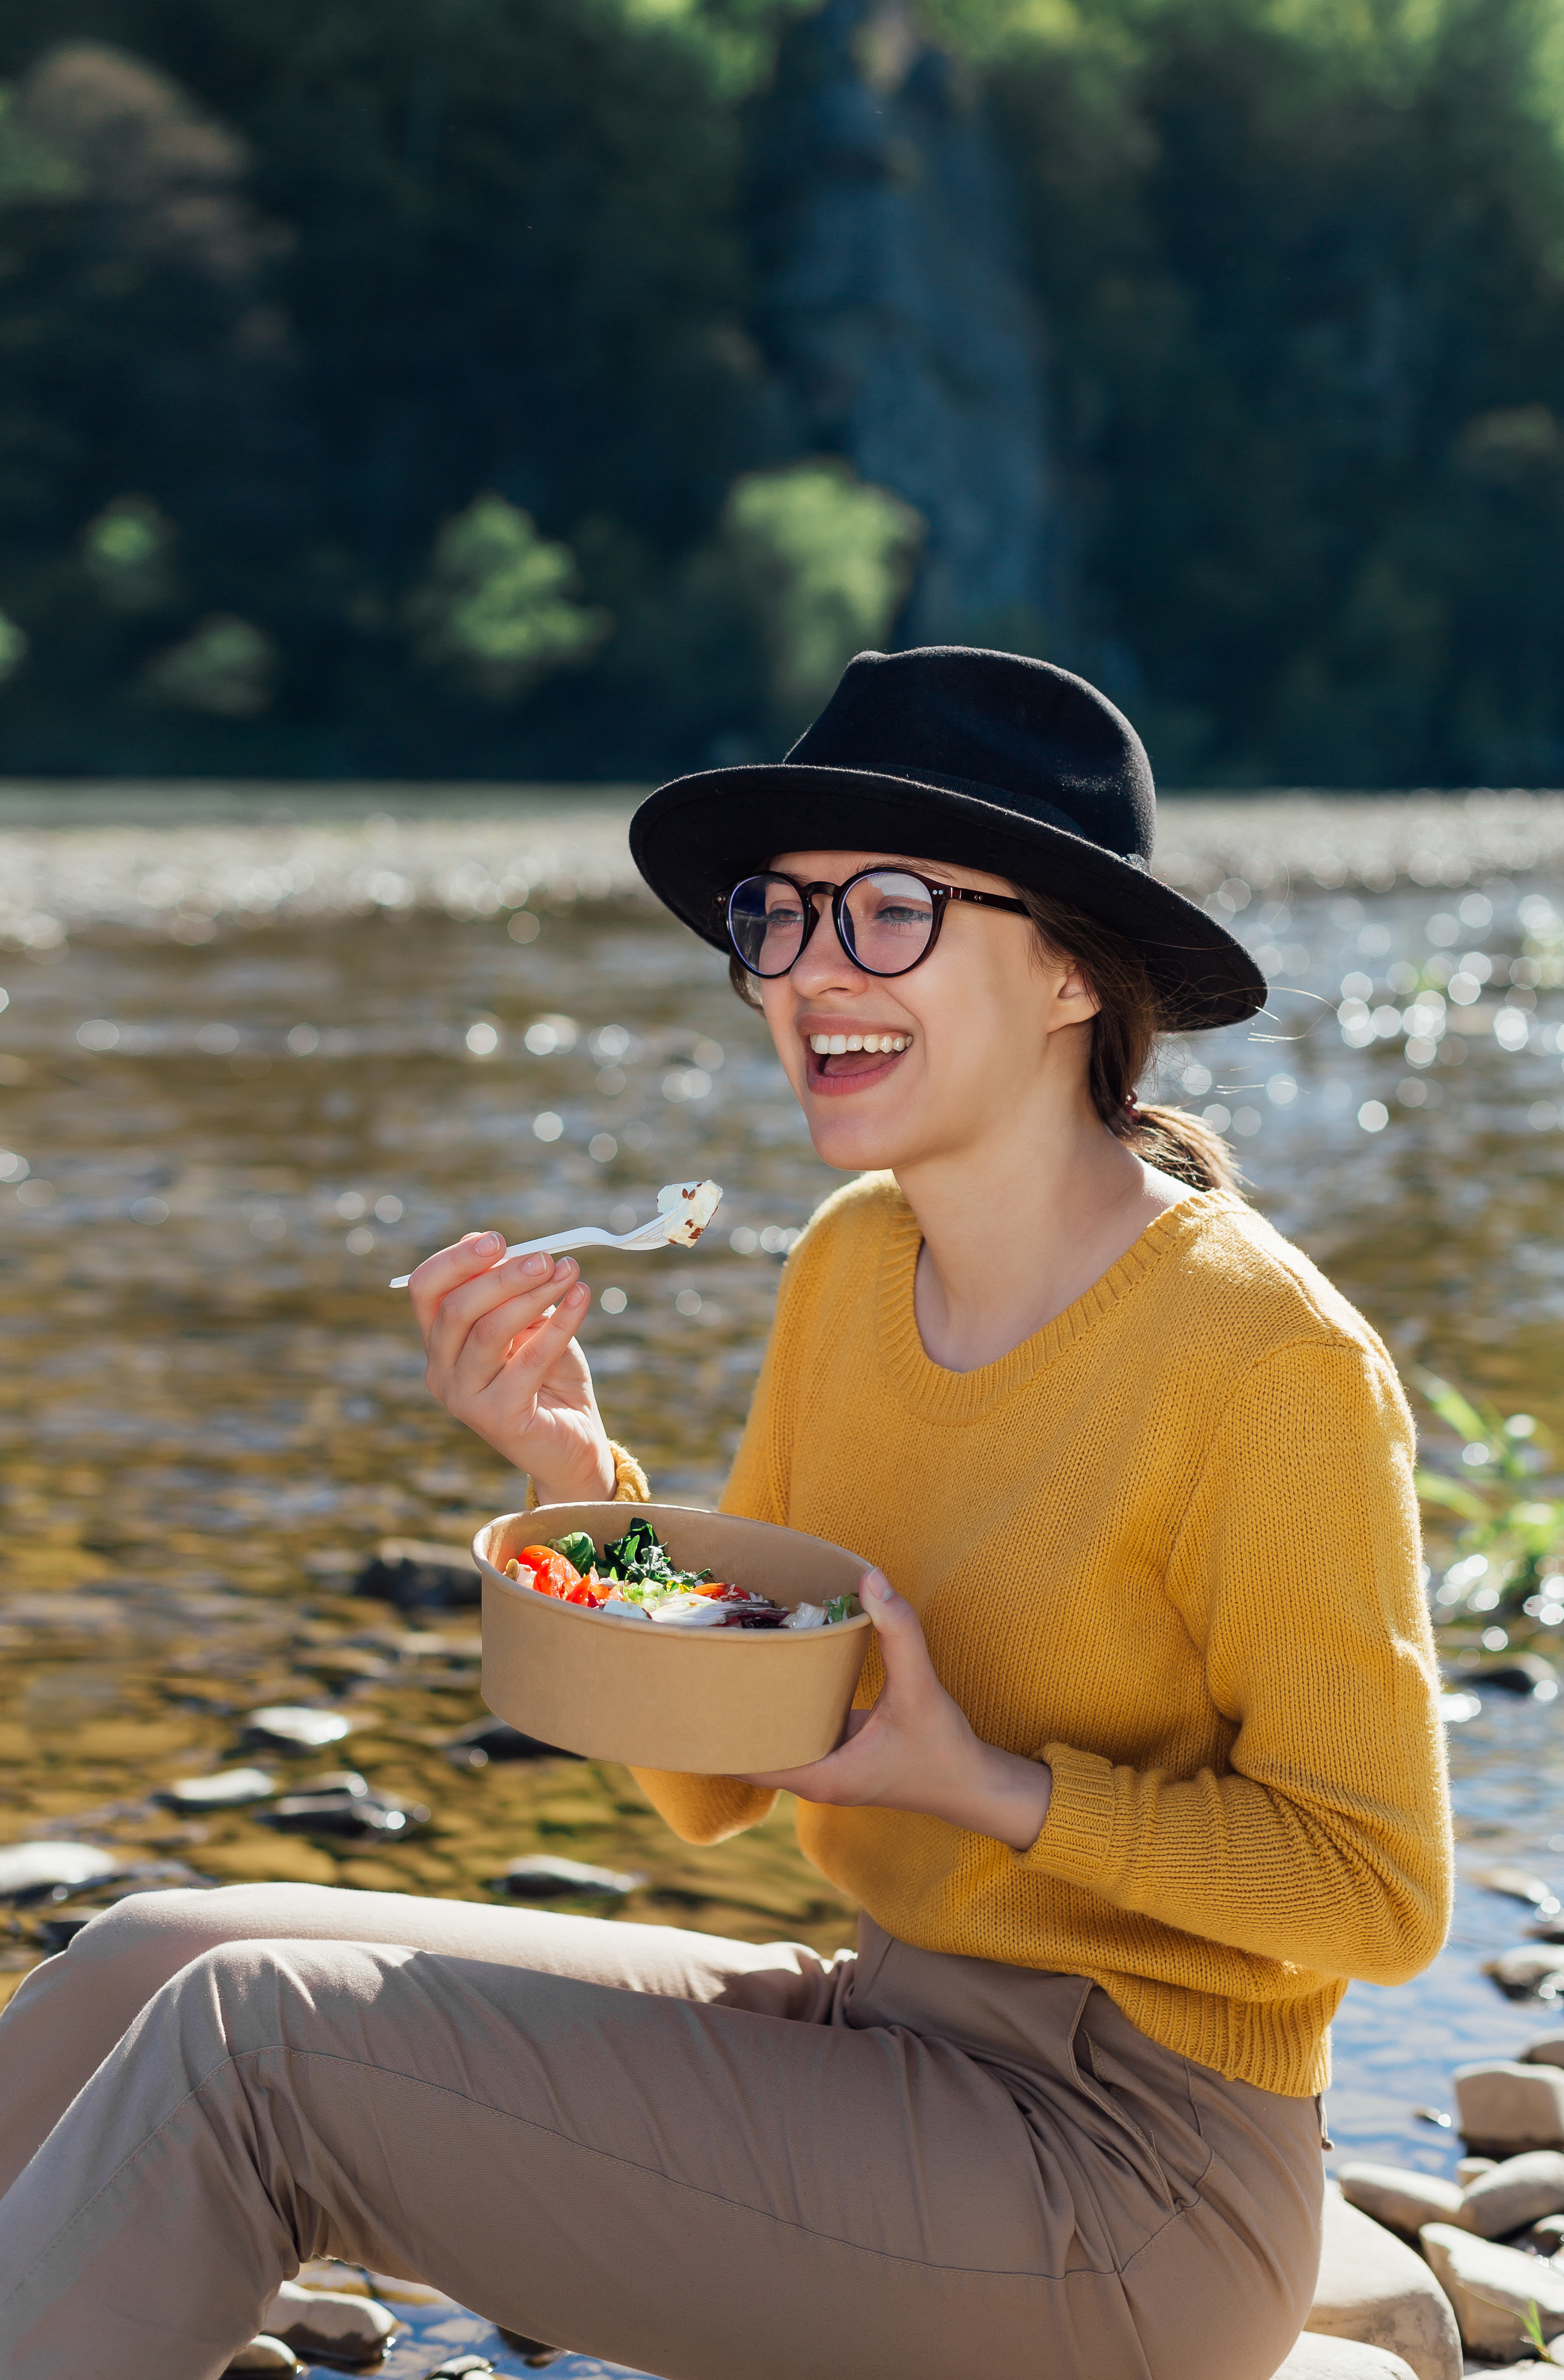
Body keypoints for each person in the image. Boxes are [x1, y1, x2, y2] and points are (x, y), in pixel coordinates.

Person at [0, 647, 1450, 2380]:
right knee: (141, 1962)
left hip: (1131, 2184)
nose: (809, 973)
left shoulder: (1265, 1361)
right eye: (783, 917)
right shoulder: (855, 1265)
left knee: (256, 2046)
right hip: (888, 2029)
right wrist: (573, 1482)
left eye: (891, 911)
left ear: (1073, 965)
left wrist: (986, 1789)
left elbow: (1378, 1893)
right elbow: (716, 1770)